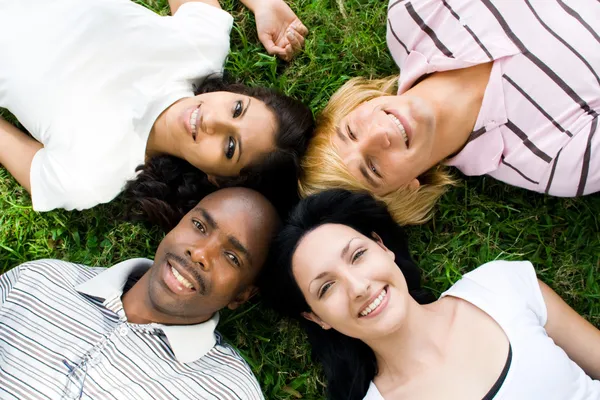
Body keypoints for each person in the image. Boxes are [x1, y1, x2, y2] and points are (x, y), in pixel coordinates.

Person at [261, 189, 600, 400]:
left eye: (358, 255)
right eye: (326, 287)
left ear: (383, 247)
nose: (359, 286)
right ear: (317, 317)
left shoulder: (499, 286)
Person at [299, 0, 600, 225]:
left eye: (351, 130)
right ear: (408, 189)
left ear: (355, 105)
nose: (380, 133)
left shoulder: (412, 14)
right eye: (374, 168)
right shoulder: (551, 162)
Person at [0, 0, 314, 212]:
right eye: (236, 109)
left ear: (218, 179)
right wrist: (263, 5)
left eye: (230, 146)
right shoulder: (201, 48)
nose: (212, 120)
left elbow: (31, 166)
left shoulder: (94, 177)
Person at [0, 187, 280, 399]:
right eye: (198, 226)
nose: (200, 253)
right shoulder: (40, 279)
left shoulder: (229, 389)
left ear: (242, 295)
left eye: (231, 257)